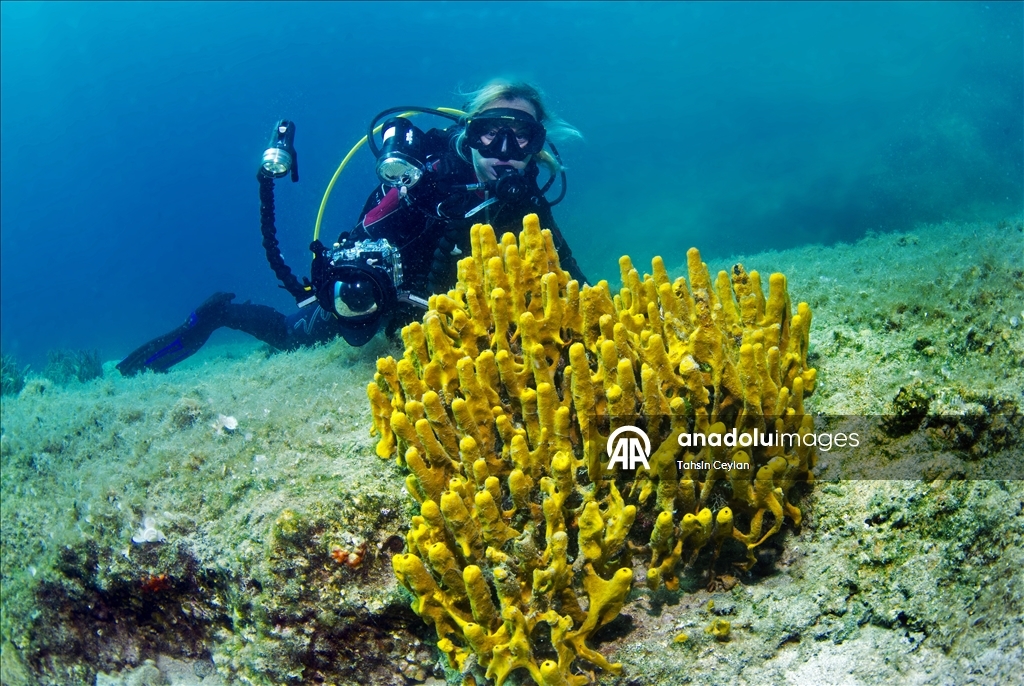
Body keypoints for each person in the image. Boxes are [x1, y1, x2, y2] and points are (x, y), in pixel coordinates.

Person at [117, 80, 587, 377]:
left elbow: (564, 268)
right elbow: (365, 234)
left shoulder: (525, 196)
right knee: (293, 336)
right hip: (391, 293)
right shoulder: (425, 175)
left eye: (521, 135)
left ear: (537, 146)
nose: (504, 148)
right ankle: (216, 314)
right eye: (490, 131)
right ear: (470, 132)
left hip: (450, 310)